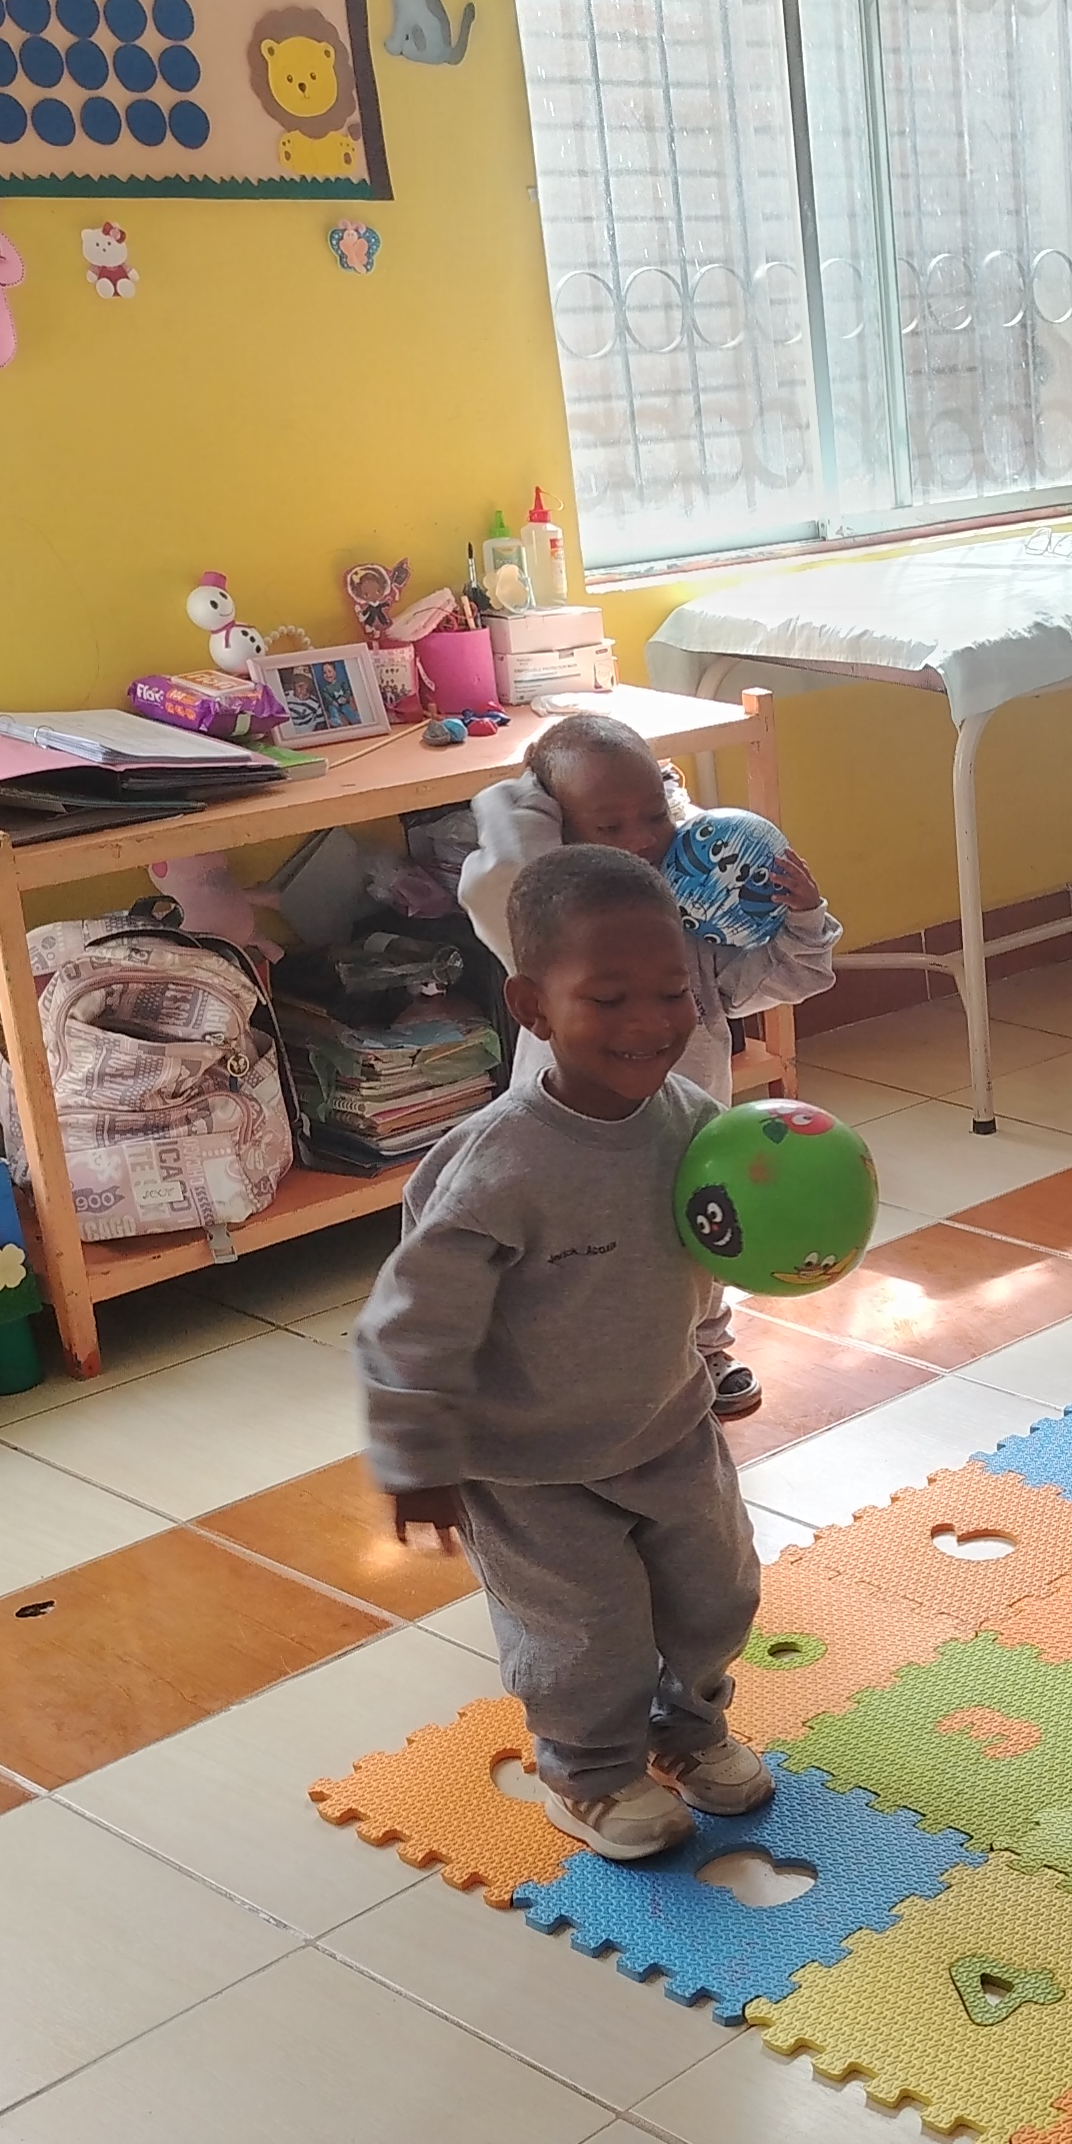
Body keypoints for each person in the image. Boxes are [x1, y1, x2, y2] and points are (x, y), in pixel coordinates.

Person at [362, 845, 772, 1863]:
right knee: (587, 1633)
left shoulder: (694, 1126)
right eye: (608, 997)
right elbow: (412, 1318)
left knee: (717, 1595)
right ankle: (589, 1776)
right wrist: (415, 1454)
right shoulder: (499, 1166)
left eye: (672, 992)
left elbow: (714, 1250)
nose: (649, 1021)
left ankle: (687, 1730)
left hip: (666, 1423)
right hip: (527, 1462)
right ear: (532, 1008)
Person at [461, 712, 841, 1423]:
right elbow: (510, 863)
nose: (640, 840)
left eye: (654, 816)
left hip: (687, 1138)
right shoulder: (544, 932)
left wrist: (803, 916)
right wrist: (529, 787)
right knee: (583, 1254)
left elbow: (795, 975)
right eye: (608, 826)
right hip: (573, 1139)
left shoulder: (688, 929)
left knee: (699, 1241)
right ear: (557, 826)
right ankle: (581, 1365)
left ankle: (704, 1350)